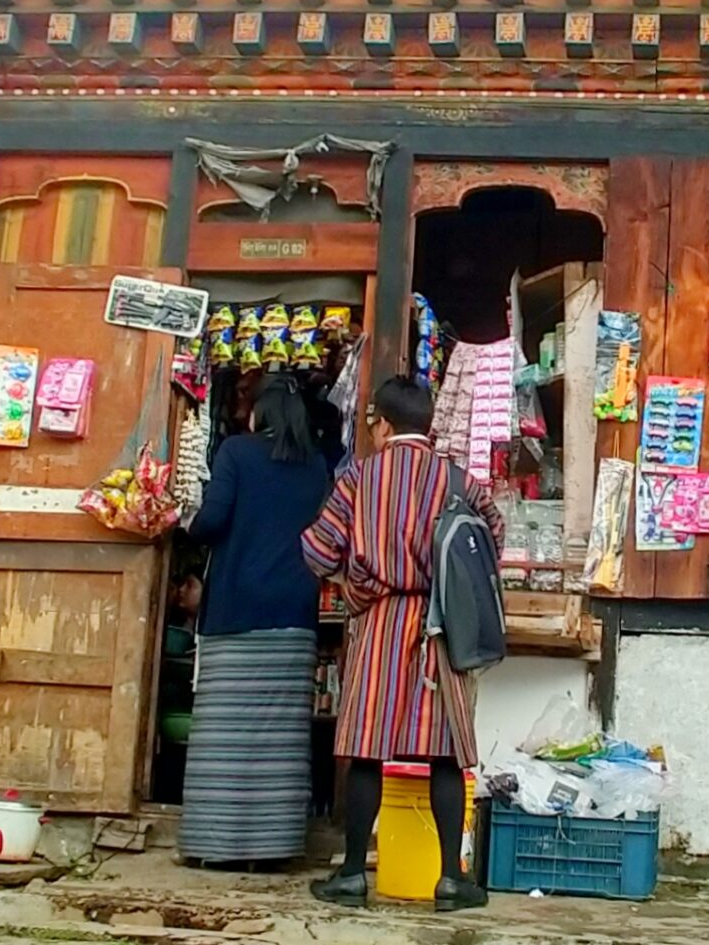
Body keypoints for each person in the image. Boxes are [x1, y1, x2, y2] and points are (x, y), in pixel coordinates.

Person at [302, 376, 504, 912]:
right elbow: (492, 539)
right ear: (428, 425)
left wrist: (354, 580)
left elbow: (319, 551)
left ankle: (350, 875)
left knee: (367, 750)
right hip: (442, 629)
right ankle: (450, 879)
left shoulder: (358, 479)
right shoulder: (458, 480)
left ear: (383, 425)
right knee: (444, 754)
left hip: (382, 623)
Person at [179, 375, 329, 866]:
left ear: (260, 413)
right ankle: (273, 848)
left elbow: (214, 519)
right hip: (293, 611)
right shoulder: (316, 468)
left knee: (224, 736)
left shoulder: (237, 454)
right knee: (278, 740)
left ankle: (214, 845)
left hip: (236, 609)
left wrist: (185, 522)